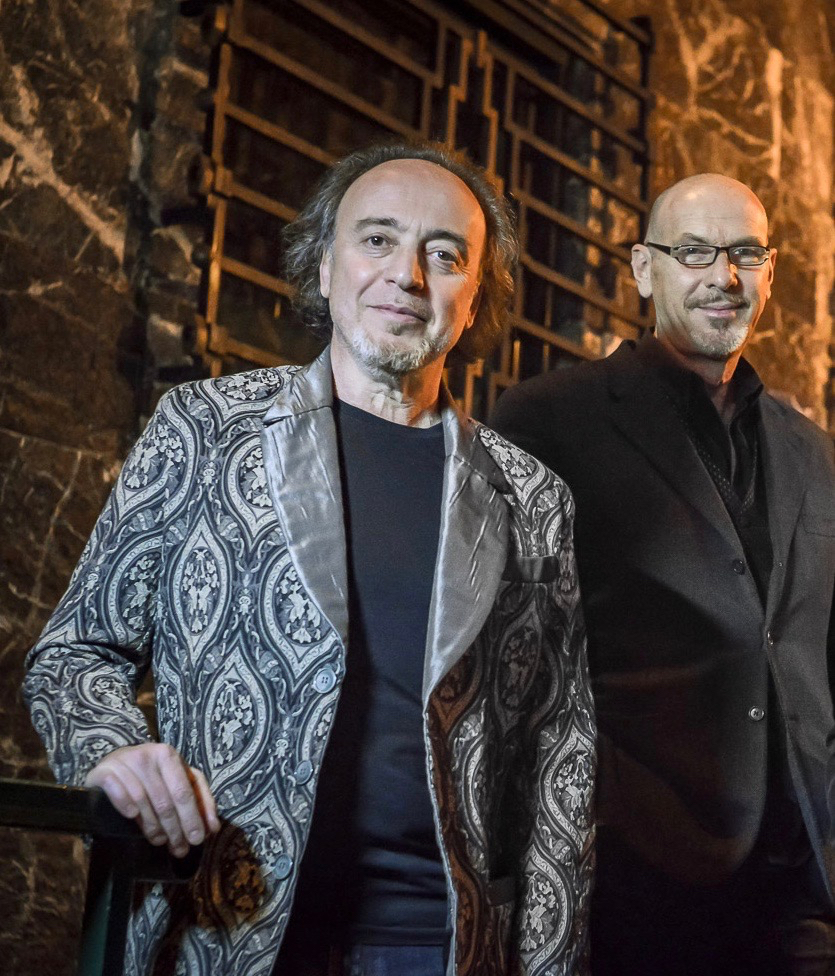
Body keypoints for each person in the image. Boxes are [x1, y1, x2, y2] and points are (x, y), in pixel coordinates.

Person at [24, 142, 595, 976]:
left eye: (444, 256)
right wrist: (112, 747)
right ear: (323, 267)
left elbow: (561, 759)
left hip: (437, 944)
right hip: (222, 924)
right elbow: (77, 651)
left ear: (474, 299)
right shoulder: (204, 429)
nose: (406, 275)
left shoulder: (533, 498)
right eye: (377, 239)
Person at [490, 173, 835, 975]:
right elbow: (512, 657)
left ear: (770, 271)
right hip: (635, 879)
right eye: (694, 252)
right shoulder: (546, 418)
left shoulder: (815, 452)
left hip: (800, 891)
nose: (724, 276)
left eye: (745, 254)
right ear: (644, 269)